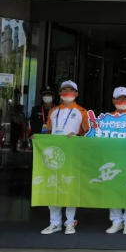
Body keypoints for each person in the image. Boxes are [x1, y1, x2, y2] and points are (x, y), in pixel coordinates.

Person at [40, 80, 89, 235]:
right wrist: (38, 140)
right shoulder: (53, 111)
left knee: (70, 188)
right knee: (53, 187)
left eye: (71, 90)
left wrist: (77, 135)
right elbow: (47, 131)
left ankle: (70, 222)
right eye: (64, 90)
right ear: (60, 93)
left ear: (76, 94)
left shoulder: (83, 112)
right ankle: (54, 223)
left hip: (72, 155)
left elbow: (89, 133)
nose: (67, 93)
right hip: (54, 155)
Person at [106, 87, 126, 235]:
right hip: (112, 158)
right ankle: (116, 221)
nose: (122, 101)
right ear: (113, 100)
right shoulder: (106, 118)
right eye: (119, 98)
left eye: (125, 98)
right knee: (113, 190)